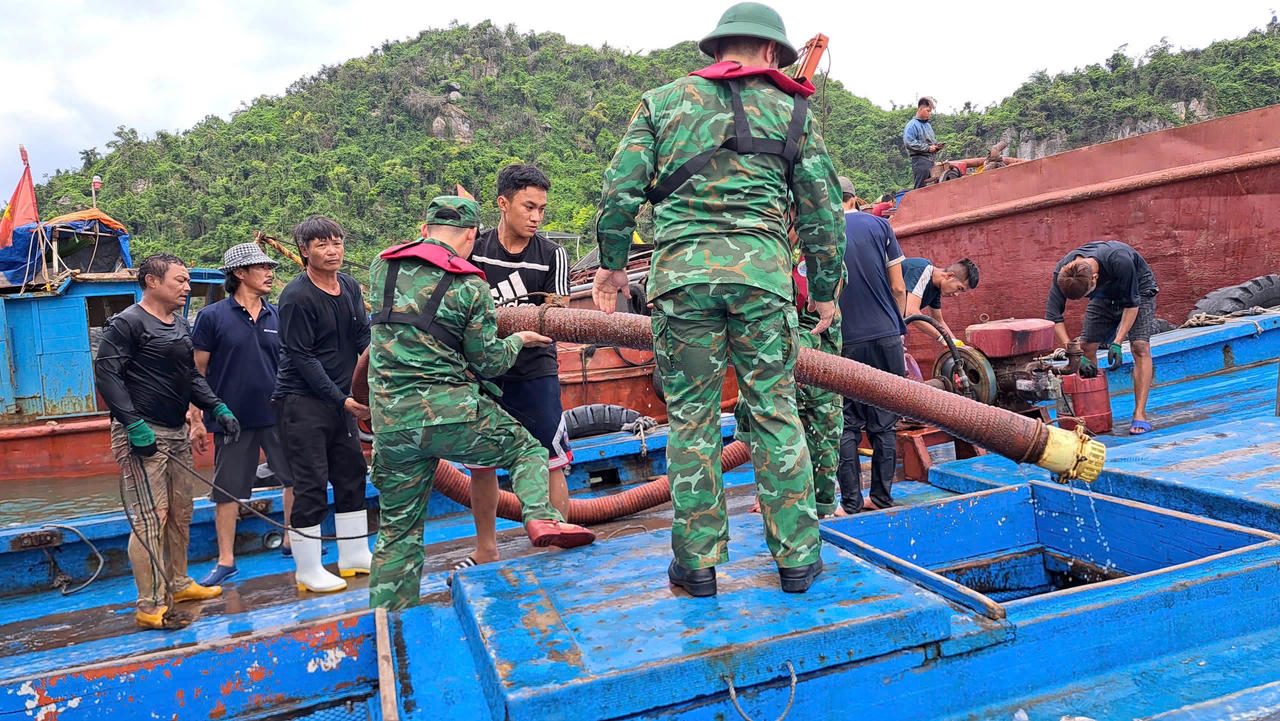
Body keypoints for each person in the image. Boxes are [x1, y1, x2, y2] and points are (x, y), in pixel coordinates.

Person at [592, 1, 844, 597]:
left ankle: (699, 565)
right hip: (763, 280)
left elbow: (620, 189)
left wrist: (609, 268)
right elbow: (823, 214)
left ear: (720, 46)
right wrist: (826, 293)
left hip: (681, 279)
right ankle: (798, 559)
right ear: (770, 52)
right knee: (777, 411)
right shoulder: (794, 110)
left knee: (693, 419)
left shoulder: (662, 102)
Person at [366, 196, 595, 610]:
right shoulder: (470, 284)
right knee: (527, 447)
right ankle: (540, 516)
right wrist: (519, 338)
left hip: (390, 422)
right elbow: (487, 361)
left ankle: (390, 619)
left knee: (397, 532)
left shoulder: (381, 267)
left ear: (423, 230)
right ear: (472, 235)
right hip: (448, 412)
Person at [95, 254, 237, 629]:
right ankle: (150, 604)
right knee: (150, 518)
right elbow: (107, 376)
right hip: (142, 434)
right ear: (152, 282)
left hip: (175, 432)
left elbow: (189, 375)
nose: (186, 287)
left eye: (188, 281)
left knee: (180, 513)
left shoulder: (180, 325)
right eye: (180, 280)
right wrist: (132, 423)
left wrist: (215, 406)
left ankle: (178, 582)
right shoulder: (127, 324)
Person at [462, 164, 573, 571]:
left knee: (550, 456)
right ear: (503, 204)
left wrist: (512, 325)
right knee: (481, 461)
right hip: (484, 369)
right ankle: (486, 547)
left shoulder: (551, 254)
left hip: (535, 368)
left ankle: (554, 537)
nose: (536, 217)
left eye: (542, 209)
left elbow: (556, 315)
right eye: (529, 206)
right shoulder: (474, 250)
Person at [273, 216, 372, 594]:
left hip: (342, 400)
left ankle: (353, 555)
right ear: (304, 251)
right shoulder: (296, 298)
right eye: (322, 245)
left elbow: (362, 334)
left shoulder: (347, 286)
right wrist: (343, 399)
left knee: (351, 475)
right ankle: (308, 569)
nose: (332, 251)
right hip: (301, 402)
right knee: (311, 483)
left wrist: (373, 368)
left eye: (337, 242)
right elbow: (302, 357)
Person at [189, 243, 294, 587]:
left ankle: (293, 543)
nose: (269, 273)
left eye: (269, 267)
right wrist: (196, 418)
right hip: (231, 419)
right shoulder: (212, 316)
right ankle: (226, 560)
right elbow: (197, 371)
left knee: (294, 479)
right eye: (261, 267)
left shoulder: (277, 315)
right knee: (228, 490)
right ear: (239, 273)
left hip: (279, 414)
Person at [836, 192, 909, 512]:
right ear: (854, 199)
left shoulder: (824, 231)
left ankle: (850, 503)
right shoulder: (881, 226)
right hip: (886, 335)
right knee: (884, 421)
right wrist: (896, 323)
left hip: (846, 339)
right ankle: (880, 497)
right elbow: (898, 287)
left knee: (847, 423)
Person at [1045, 240, 1159, 435]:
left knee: (1140, 346)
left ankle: (1140, 413)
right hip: (1104, 297)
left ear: (1095, 278)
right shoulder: (1063, 271)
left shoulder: (1120, 260)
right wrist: (1074, 353)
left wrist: (1117, 342)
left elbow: (1131, 304)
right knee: (1087, 347)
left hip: (1139, 290)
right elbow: (1053, 317)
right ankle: (1095, 412)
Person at [902, 257, 979, 344]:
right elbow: (912, 313)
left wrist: (958, 346)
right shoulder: (921, 269)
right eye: (959, 288)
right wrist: (944, 339)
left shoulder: (936, 288)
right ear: (950, 276)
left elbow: (938, 321)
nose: (956, 294)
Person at [904, 97, 942, 189]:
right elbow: (909, 142)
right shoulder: (912, 125)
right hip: (920, 161)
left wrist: (936, 146)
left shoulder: (928, 126)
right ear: (920, 109)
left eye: (930, 111)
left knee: (932, 187)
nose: (929, 113)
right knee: (920, 188)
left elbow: (932, 142)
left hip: (931, 161)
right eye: (927, 111)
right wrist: (928, 148)